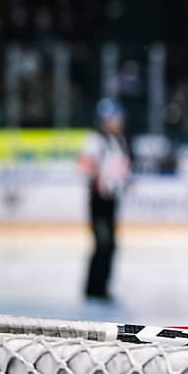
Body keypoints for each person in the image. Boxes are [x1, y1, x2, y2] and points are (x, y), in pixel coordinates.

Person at [78, 98, 131, 300]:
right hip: (98, 200)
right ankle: (92, 288)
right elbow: (84, 165)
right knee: (102, 243)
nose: (118, 122)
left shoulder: (118, 140)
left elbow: (121, 168)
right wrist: (96, 178)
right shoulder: (94, 141)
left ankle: (102, 287)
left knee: (111, 244)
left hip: (111, 200)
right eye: (115, 118)